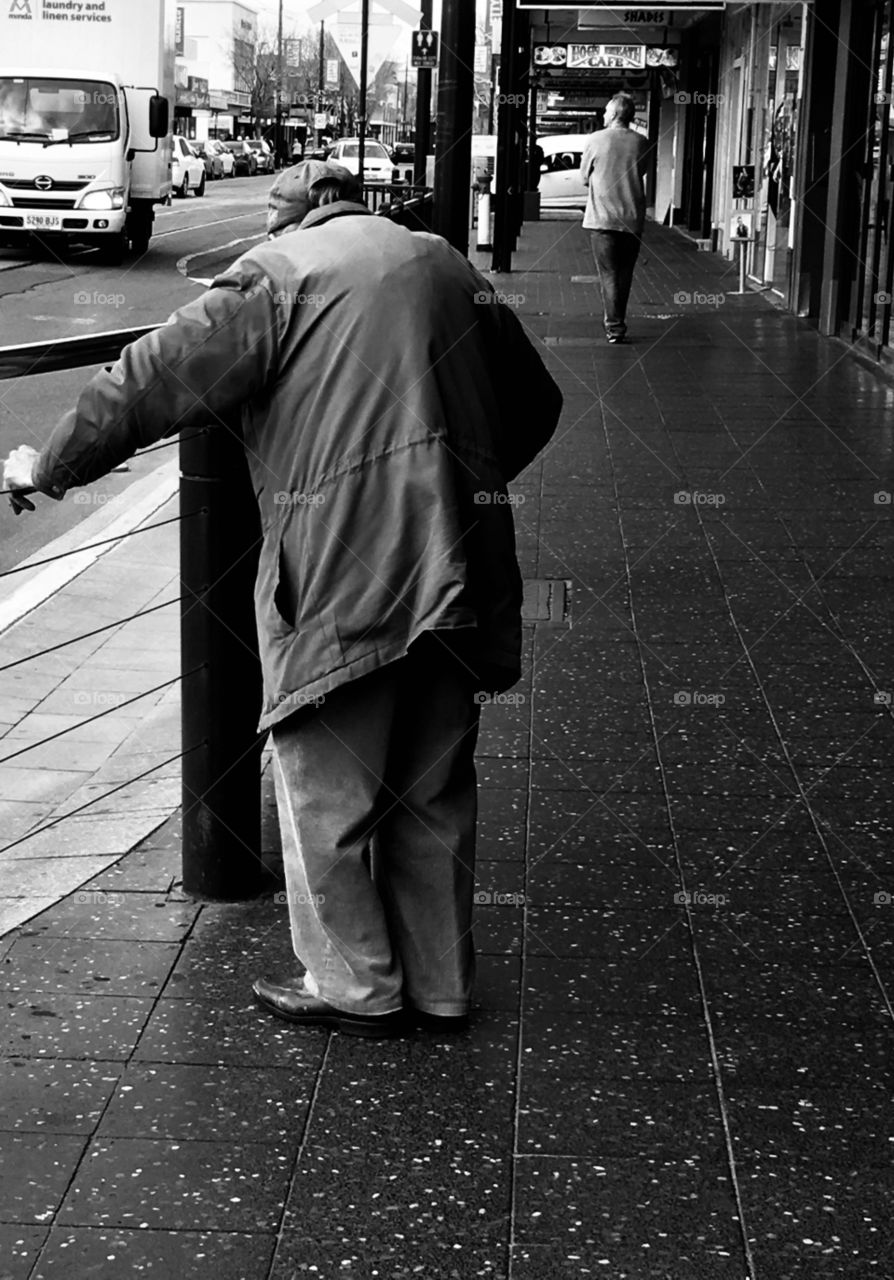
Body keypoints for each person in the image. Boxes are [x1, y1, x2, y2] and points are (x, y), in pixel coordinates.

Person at [3, 160, 563, 1039]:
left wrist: (51, 465)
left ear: (291, 218)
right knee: (433, 787)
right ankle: (443, 983)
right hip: (461, 562)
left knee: (324, 795)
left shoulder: (276, 277)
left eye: (271, 210)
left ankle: (357, 986)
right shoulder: (447, 263)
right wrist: (461, 486)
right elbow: (535, 401)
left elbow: (149, 378)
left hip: (344, 571)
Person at [579, 92, 650, 343]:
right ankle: (618, 321)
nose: (603, 114)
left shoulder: (595, 140)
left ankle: (615, 327)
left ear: (615, 114)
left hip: (602, 219)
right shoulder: (642, 142)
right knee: (625, 273)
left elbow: (584, 177)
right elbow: (641, 171)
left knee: (608, 274)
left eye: (606, 111)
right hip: (631, 218)